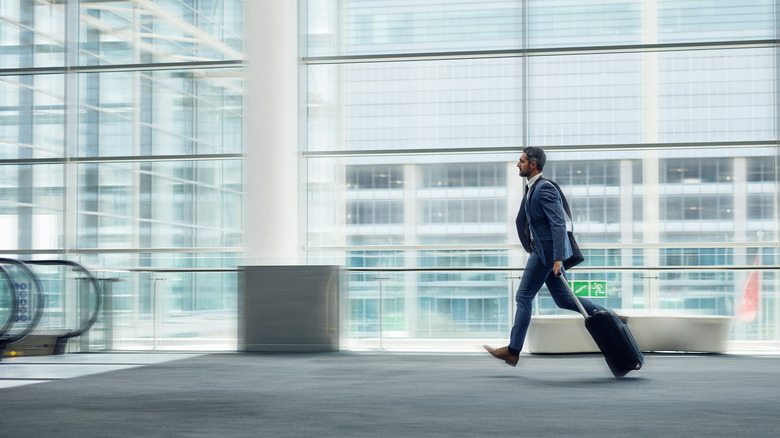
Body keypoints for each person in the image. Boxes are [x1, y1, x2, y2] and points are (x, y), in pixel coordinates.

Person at [483, 147, 611, 367]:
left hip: (547, 254)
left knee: (523, 297)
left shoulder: (543, 188)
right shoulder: (532, 188)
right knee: (564, 300)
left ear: (533, 165)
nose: (517, 164)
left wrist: (558, 258)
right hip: (544, 252)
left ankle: (513, 351)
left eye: (521, 161)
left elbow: (558, 224)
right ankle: (610, 317)